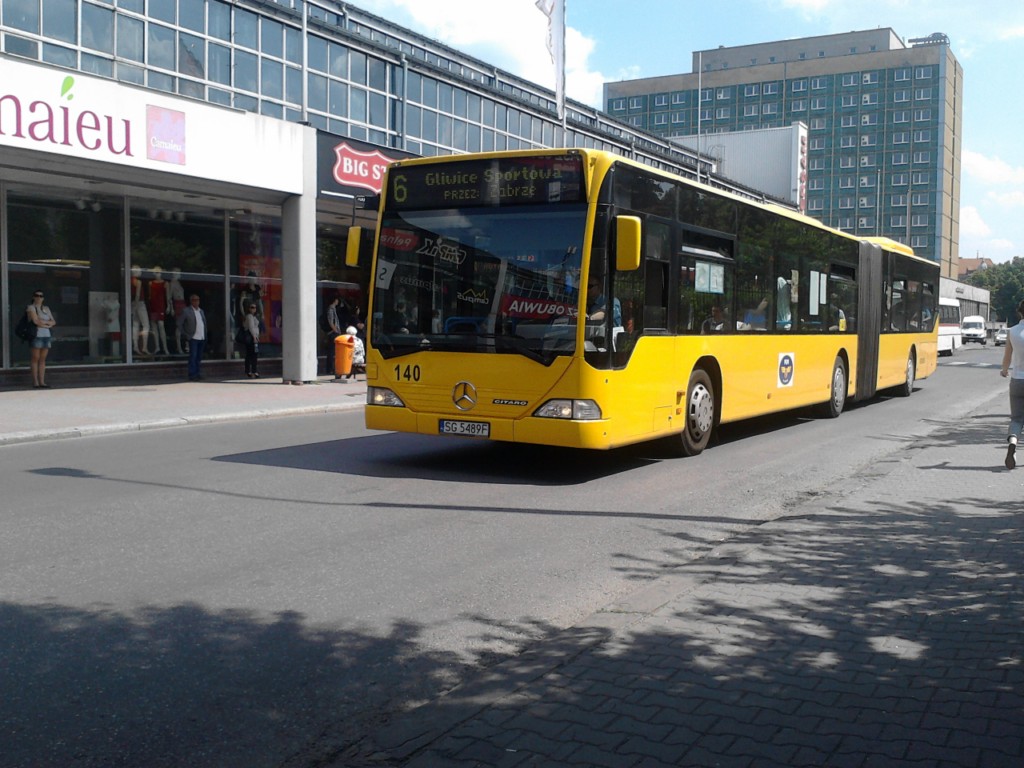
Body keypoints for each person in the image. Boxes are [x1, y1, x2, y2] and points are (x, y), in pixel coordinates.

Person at [999, 298, 1024, 469]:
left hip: (1017, 380)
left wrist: (1004, 370)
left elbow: (1007, 356)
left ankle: (1012, 444)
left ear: (1020, 312)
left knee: (1016, 419)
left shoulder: (1013, 331)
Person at [26, 290, 56, 389]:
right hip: (36, 335)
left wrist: (44, 323)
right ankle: (35, 382)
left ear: (43, 298)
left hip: (46, 335)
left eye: (41, 296)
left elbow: (53, 321)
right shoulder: (31, 307)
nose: (39, 297)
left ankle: (42, 381)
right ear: (33, 297)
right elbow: (35, 321)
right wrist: (47, 324)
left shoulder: (46, 308)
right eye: (37, 295)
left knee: (43, 359)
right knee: (35, 358)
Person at [180, 294, 207, 381]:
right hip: (193, 337)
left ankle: (197, 373)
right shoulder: (186, 311)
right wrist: (185, 334)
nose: (196, 302)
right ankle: (192, 374)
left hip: (201, 337)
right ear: (191, 301)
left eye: (197, 300)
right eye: (194, 300)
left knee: (199, 357)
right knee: (193, 356)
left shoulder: (201, 311)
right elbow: (179, 323)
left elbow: (203, 323)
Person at [130, 264, 150, 355]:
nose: (141, 272)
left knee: (135, 325)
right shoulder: (138, 282)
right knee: (146, 325)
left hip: (133, 303)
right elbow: (138, 295)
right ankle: (144, 347)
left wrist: (133, 307)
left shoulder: (130, 281)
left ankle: (135, 346)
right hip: (140, 304)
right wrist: (137, 305)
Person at [323, 296, 342, 377]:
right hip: (332, 333)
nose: (338, 301)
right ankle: (330, 369)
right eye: (337, 299)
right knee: (331, 351)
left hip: (334, 332)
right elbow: (331, 321)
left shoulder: (333, 309)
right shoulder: (331, 309)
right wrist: (336, 331)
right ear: (335, 300)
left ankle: (331, 368)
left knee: (332, 351)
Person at [242, 301, 261, 378]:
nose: (254, 309)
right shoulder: (249, 316)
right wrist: (254, 337)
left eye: (255, 307)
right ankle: (252, 371)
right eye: (252, 307)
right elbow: (251, 327)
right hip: (251, 338)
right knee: (251, 355)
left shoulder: (254, 317)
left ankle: (252, 371)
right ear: (249, 308)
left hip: (255, 338)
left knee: (253, 354)